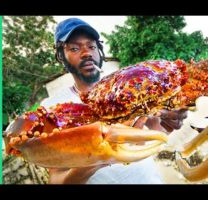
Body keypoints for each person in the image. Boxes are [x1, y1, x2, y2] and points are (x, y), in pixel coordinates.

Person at [42, 18, 188, 184]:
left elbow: (157, 131)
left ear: (99, 50)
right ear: (61, 56)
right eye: (74, 48)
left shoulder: (128, 85)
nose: (86, 53)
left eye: (91, 46)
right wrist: (91, 162)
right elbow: (56, 178)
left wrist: (171, 120)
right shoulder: (53, 109)